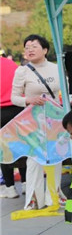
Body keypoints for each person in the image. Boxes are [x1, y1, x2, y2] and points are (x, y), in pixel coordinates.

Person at [11, 34, 64, 210]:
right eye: (27, 47)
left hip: (54, 120)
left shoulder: (57, 68)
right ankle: (34, 199)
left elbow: (65, 92)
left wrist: (67, 100)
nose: (30, 50)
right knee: (34, 158)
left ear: (45, 50)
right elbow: (14, 98)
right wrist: (29, 100)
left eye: (34, 46)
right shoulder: (22, 71)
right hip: (32, 121)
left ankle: (54, 197)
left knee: (55, 156)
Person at [1, 56, 26, 198]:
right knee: (22, 146)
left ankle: (10, 187)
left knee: (4, 149)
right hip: (18, 109)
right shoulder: (11, 64)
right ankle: (26, 183)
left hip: (1, 112)